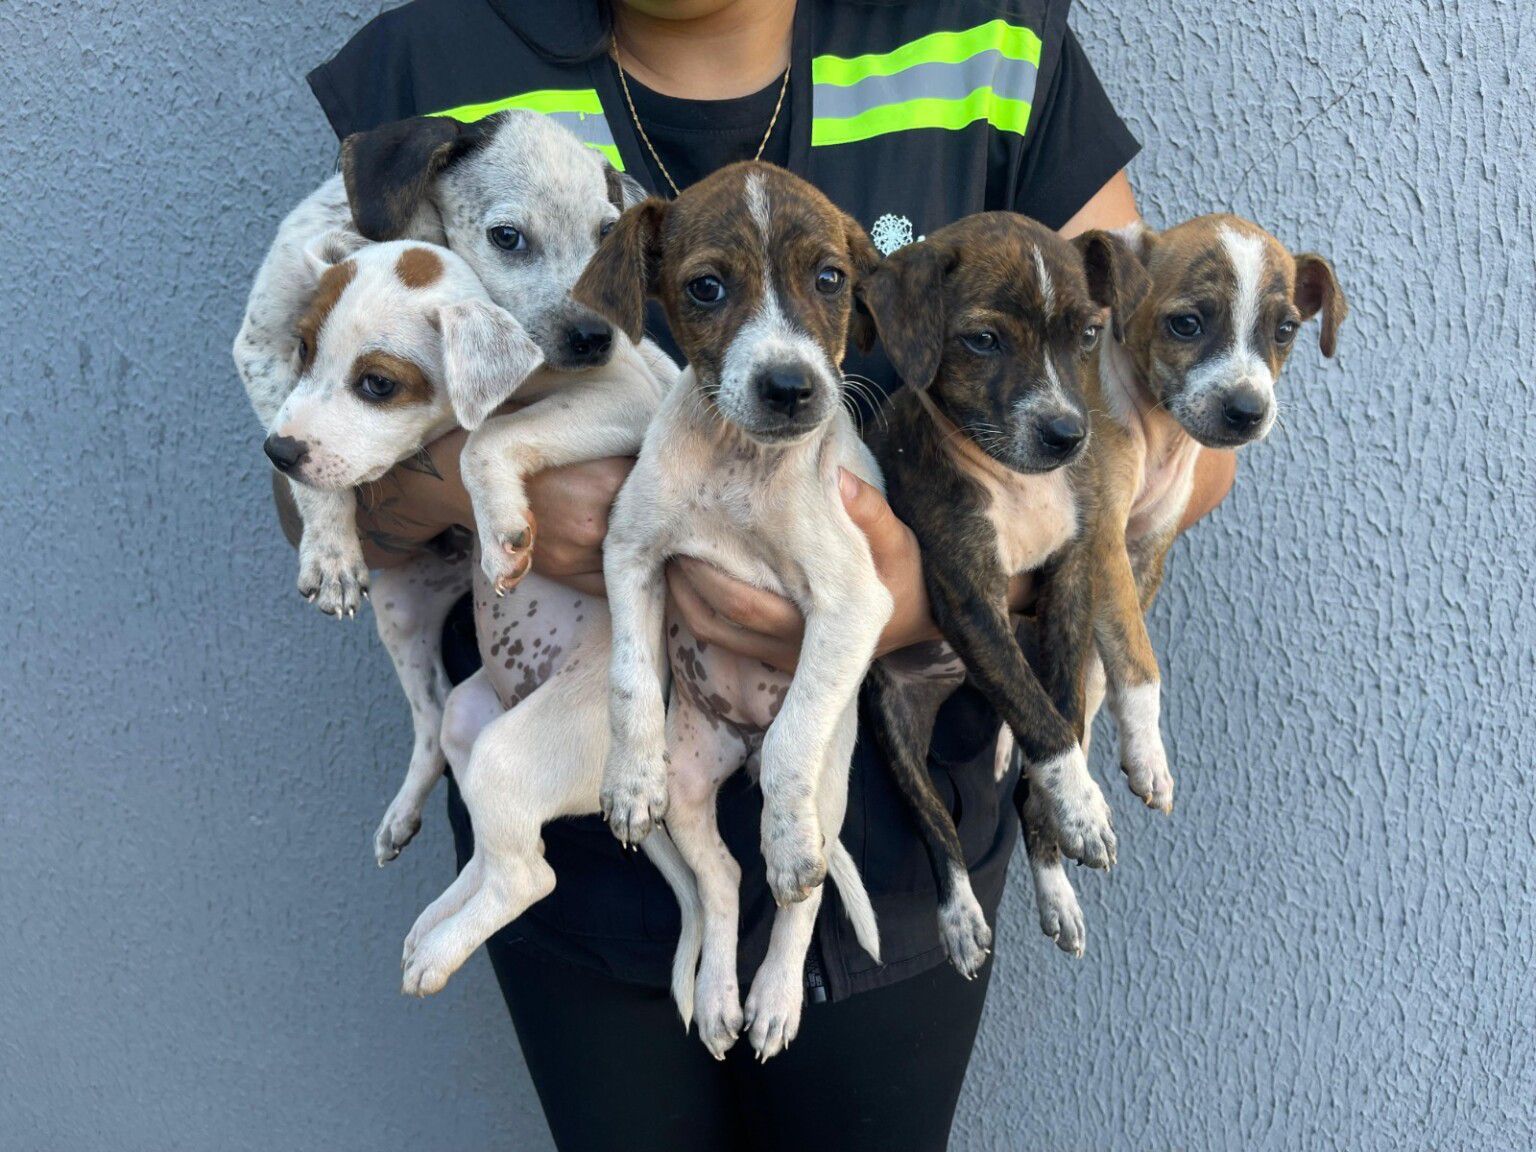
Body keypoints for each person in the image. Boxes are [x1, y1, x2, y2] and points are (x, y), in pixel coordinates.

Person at [299, 2, 1235, 1148]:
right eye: (704, 292)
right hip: (581, 823)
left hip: (900, 822)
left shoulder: (988, 39)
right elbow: (326, 443)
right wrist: (487, 484)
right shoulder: (435, 66)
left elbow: (1161, 443)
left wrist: (924, 582)